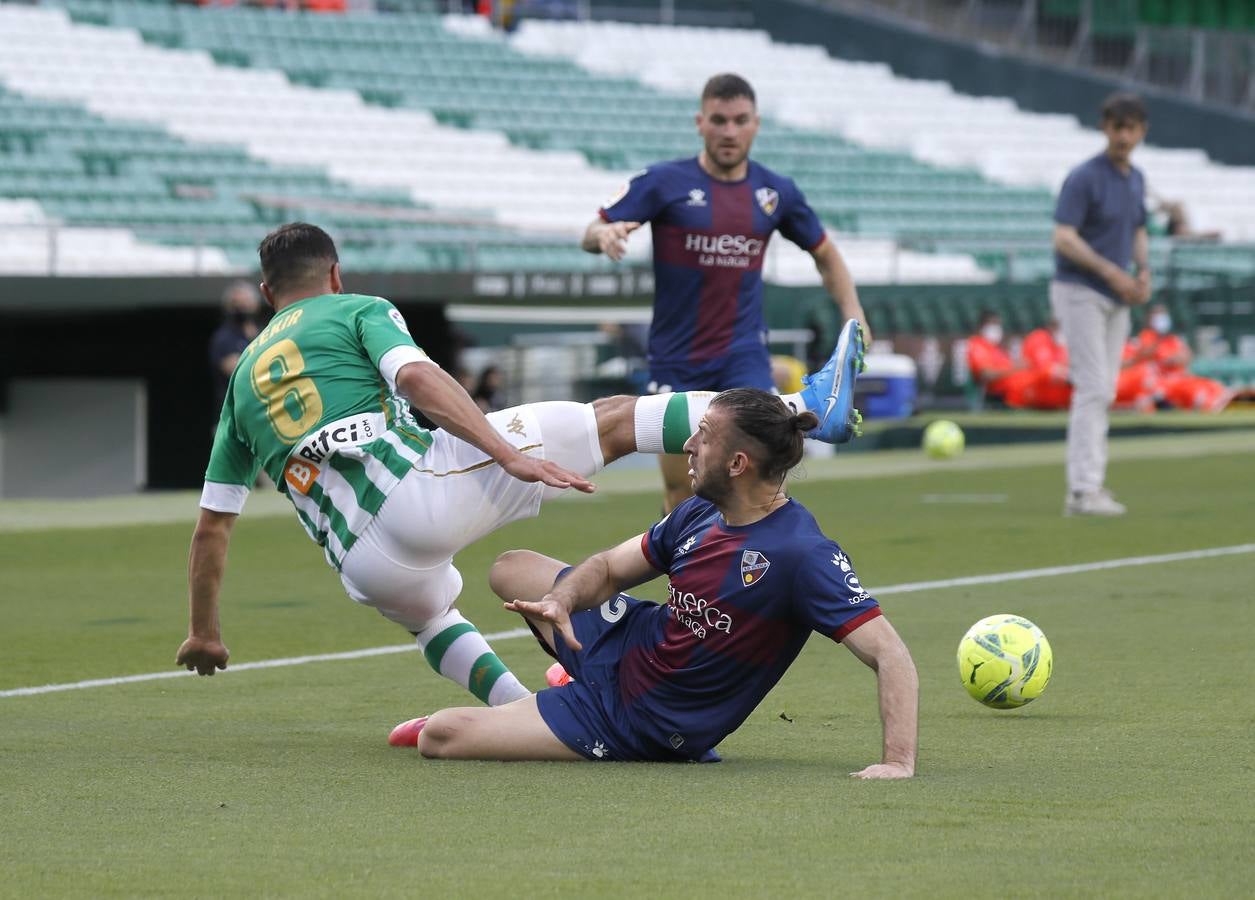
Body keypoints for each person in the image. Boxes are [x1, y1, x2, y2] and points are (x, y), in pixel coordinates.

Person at [176, 223, 867, 716]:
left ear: (268, 292)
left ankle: (524, 710)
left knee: (431, 618)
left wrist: (204, 631)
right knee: (615, 421)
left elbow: (212, 528)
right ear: (333, 275)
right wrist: (504, 452)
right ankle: (805, 405)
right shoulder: (355, 309)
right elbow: (416, 378)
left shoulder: (239, 390)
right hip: (416, 492)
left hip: (361, 565)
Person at [391, 389, 917, 778]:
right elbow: (612, 569)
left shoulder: (802, 555)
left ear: (738, 463)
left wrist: (898, 762)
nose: (687, 444)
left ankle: (542, 709)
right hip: (631, 645)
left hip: (643, 720)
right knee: (511, 567)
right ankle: (559, 687)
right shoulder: (700, 512)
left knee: (441, 734)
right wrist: (561, 601)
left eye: (703, 437)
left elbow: (891, 655)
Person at [580, 73, 870, 513]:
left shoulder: (776, 192)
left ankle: (760, 576)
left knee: (763, 483)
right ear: (700, 122)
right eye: (719, 120)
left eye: (739, 120)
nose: (729, 131)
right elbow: (591, 229)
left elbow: (826, 254)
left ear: (756, 123)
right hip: (677, 358)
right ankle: (684, 578)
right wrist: (605, 235)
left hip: (744, 356)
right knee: (685, 492)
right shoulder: (664, 181)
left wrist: (854, 313)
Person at [1051, 93, 1153, 517]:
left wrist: (1143, 271)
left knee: (1104, 388)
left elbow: (1139, 229)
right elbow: (1064, 237)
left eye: (1131, 127)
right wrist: (1112, 272)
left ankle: (1091, 484)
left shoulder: (1135, 178)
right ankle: (1082, 490)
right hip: (1081, 289)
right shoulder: (1085, 177)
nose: (1124, 136)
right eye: (1117, 127)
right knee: (1093, 387)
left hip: (1116, 294)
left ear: (1142, 131)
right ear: (1105, 128)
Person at [1126, 304, 1233, 412]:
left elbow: (1187, 356)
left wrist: (1178, 359)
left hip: (1179, 378)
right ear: (1149, 319)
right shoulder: (1147, 336)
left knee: (1213, 386)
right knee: (1194, 392)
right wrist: (1160, 351)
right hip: (1161, 381)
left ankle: (1225, 402)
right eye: (1157, 315)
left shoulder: (1172, 339)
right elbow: (1141, 355)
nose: (1161, 319)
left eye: (1163, 314)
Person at [966, 311, 1069, 410]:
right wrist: (1015, 367)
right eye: (993, 324)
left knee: (1054, 378)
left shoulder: (996, 348)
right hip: (1006, 393)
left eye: (998, 324)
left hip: (1023, 385)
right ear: (981, 327)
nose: (996, 328)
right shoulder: (977, 345)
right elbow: (986, 374)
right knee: (1047, 375)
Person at [208, 280, 266, 419]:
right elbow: (239, 372)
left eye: (245, 303)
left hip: (261, 413)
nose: (241, 308)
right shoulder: (223, 337)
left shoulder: (265, 332)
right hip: (232, 415)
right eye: (236, 304)